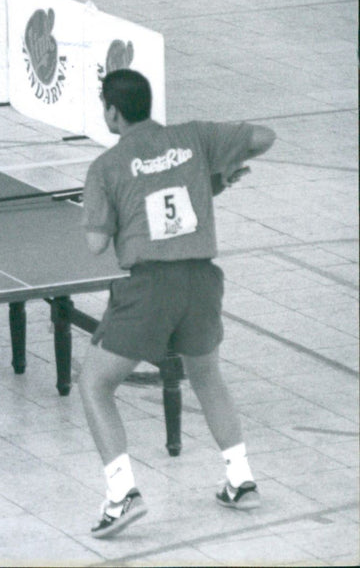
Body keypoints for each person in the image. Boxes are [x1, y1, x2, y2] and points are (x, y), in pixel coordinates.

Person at [78, 68, 275, 538]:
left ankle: (122, 494)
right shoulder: (194, 137)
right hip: (203, 282)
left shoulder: (105, 166)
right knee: (206, 375)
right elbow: (264, 136)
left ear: (112, 111)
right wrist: (218, 174)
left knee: (94, 384)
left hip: (150, 288)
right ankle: (241, 480)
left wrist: (105, 209)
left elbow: (94, 244)